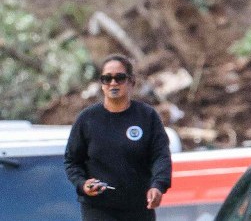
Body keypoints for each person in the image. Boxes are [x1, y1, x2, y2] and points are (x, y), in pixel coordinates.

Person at [65, 54, 172, 221]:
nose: (113, 83)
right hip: (98, 208)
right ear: (101, 84)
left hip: (138, 208)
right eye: (107, 78)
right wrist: (83, 184)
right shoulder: (87, 119)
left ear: (131, 82)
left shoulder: (147, 116)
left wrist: (158, 186)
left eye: (119, 78)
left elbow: (161, 156)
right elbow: (72, 161)